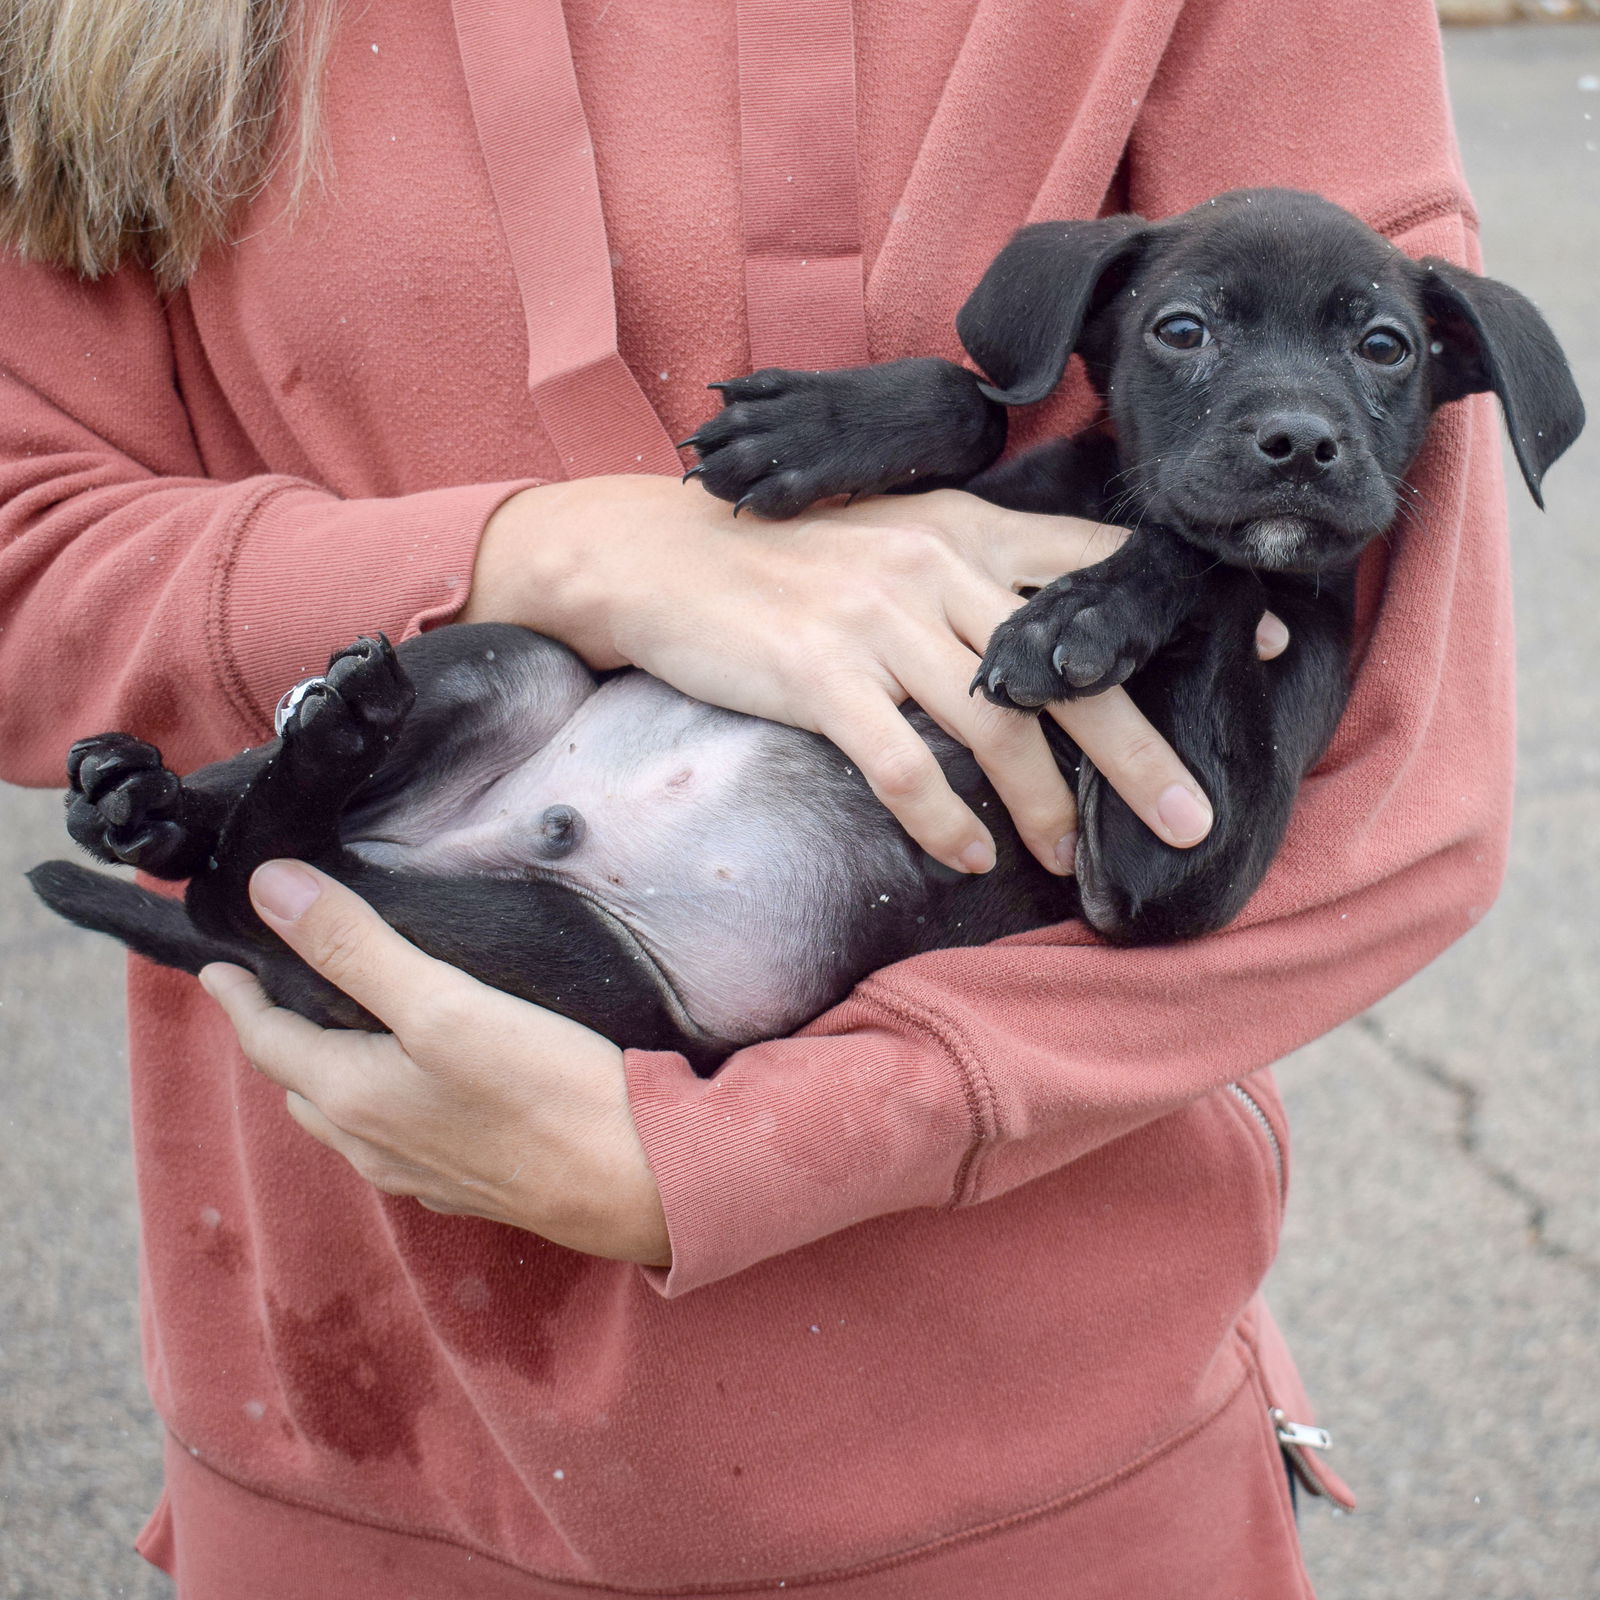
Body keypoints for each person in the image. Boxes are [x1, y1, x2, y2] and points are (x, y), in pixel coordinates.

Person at [0, 0, 1510, 1594]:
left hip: (1020, 1457)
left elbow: (1407, 816)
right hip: (357, 1417)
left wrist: (751, 1146)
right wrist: (556, 554)